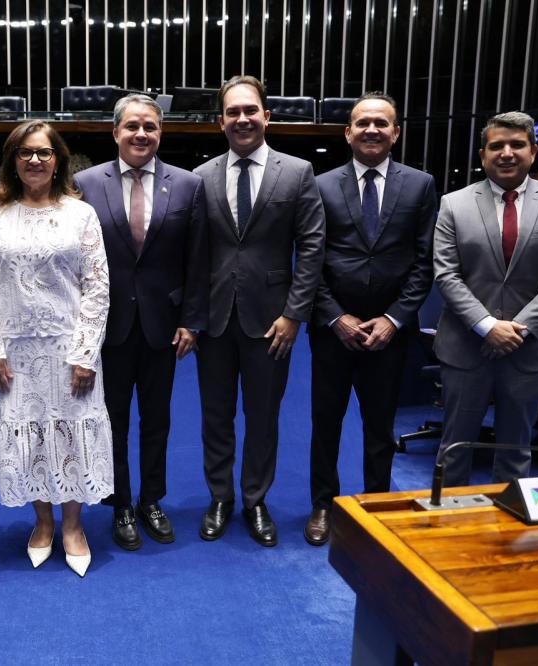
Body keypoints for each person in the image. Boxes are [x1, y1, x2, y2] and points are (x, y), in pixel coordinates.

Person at [0, 121, 112, 577]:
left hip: (70, 352)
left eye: (44, 153)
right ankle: (43, 522)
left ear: (58, 160)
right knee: (27, 434)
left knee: (69, 432)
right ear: (12, 160)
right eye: (25, 153)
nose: (35, 160)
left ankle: (73, 526)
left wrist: (85, 353)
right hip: (13, 355)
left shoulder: (80, 214)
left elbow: (98, 287)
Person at [193, 76, 325, 547]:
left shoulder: (297, 172)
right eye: (233, 112)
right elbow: (195, 253)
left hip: (274, 319)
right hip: (214, 318)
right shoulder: (202, 177)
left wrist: (294, 314)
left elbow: (311, 246)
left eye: (251, 110)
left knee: (263, 413)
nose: (242, 119)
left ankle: (255, 499)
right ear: (220, 122)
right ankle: (220, 497)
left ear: (267, 116)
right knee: (215, 413)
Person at [74, 95, 208, 550]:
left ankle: (153, 499)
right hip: (107, 327)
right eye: (132, 126)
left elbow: (198, 259)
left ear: (160, 133)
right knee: (110, 420)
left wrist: (192, 320)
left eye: (150, 127)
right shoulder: (85, 184)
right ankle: (121, 504)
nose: (141, 135)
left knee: (157, 420)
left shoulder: (188, 185)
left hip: (163, 326)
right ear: (115, 133)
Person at [304, 92, 437, 546]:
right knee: (326, 423)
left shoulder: (420, 185)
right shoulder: (319, 186)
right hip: (332, 332)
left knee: (380, 426)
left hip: (389, 334)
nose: (372, 130)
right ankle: (323, 504)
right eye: (363, 123)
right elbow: (309, 262)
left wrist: (394, 319)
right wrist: (334, 317)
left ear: (396, 132)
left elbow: (425, 263)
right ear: (348, 132)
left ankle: (378, 507)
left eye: (382, 123)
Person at [434, 111, 538, 486]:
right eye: (496, 145)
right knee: (455, 448)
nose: (506, 153)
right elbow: (446, 275)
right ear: (482, 155)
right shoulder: (454, 203)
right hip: (467, 348)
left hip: (529, 349)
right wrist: (487, 327)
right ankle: (450, 532)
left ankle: (507, 537)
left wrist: (517, 329)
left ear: (533, 151)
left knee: (516, 450)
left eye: (517, 145)